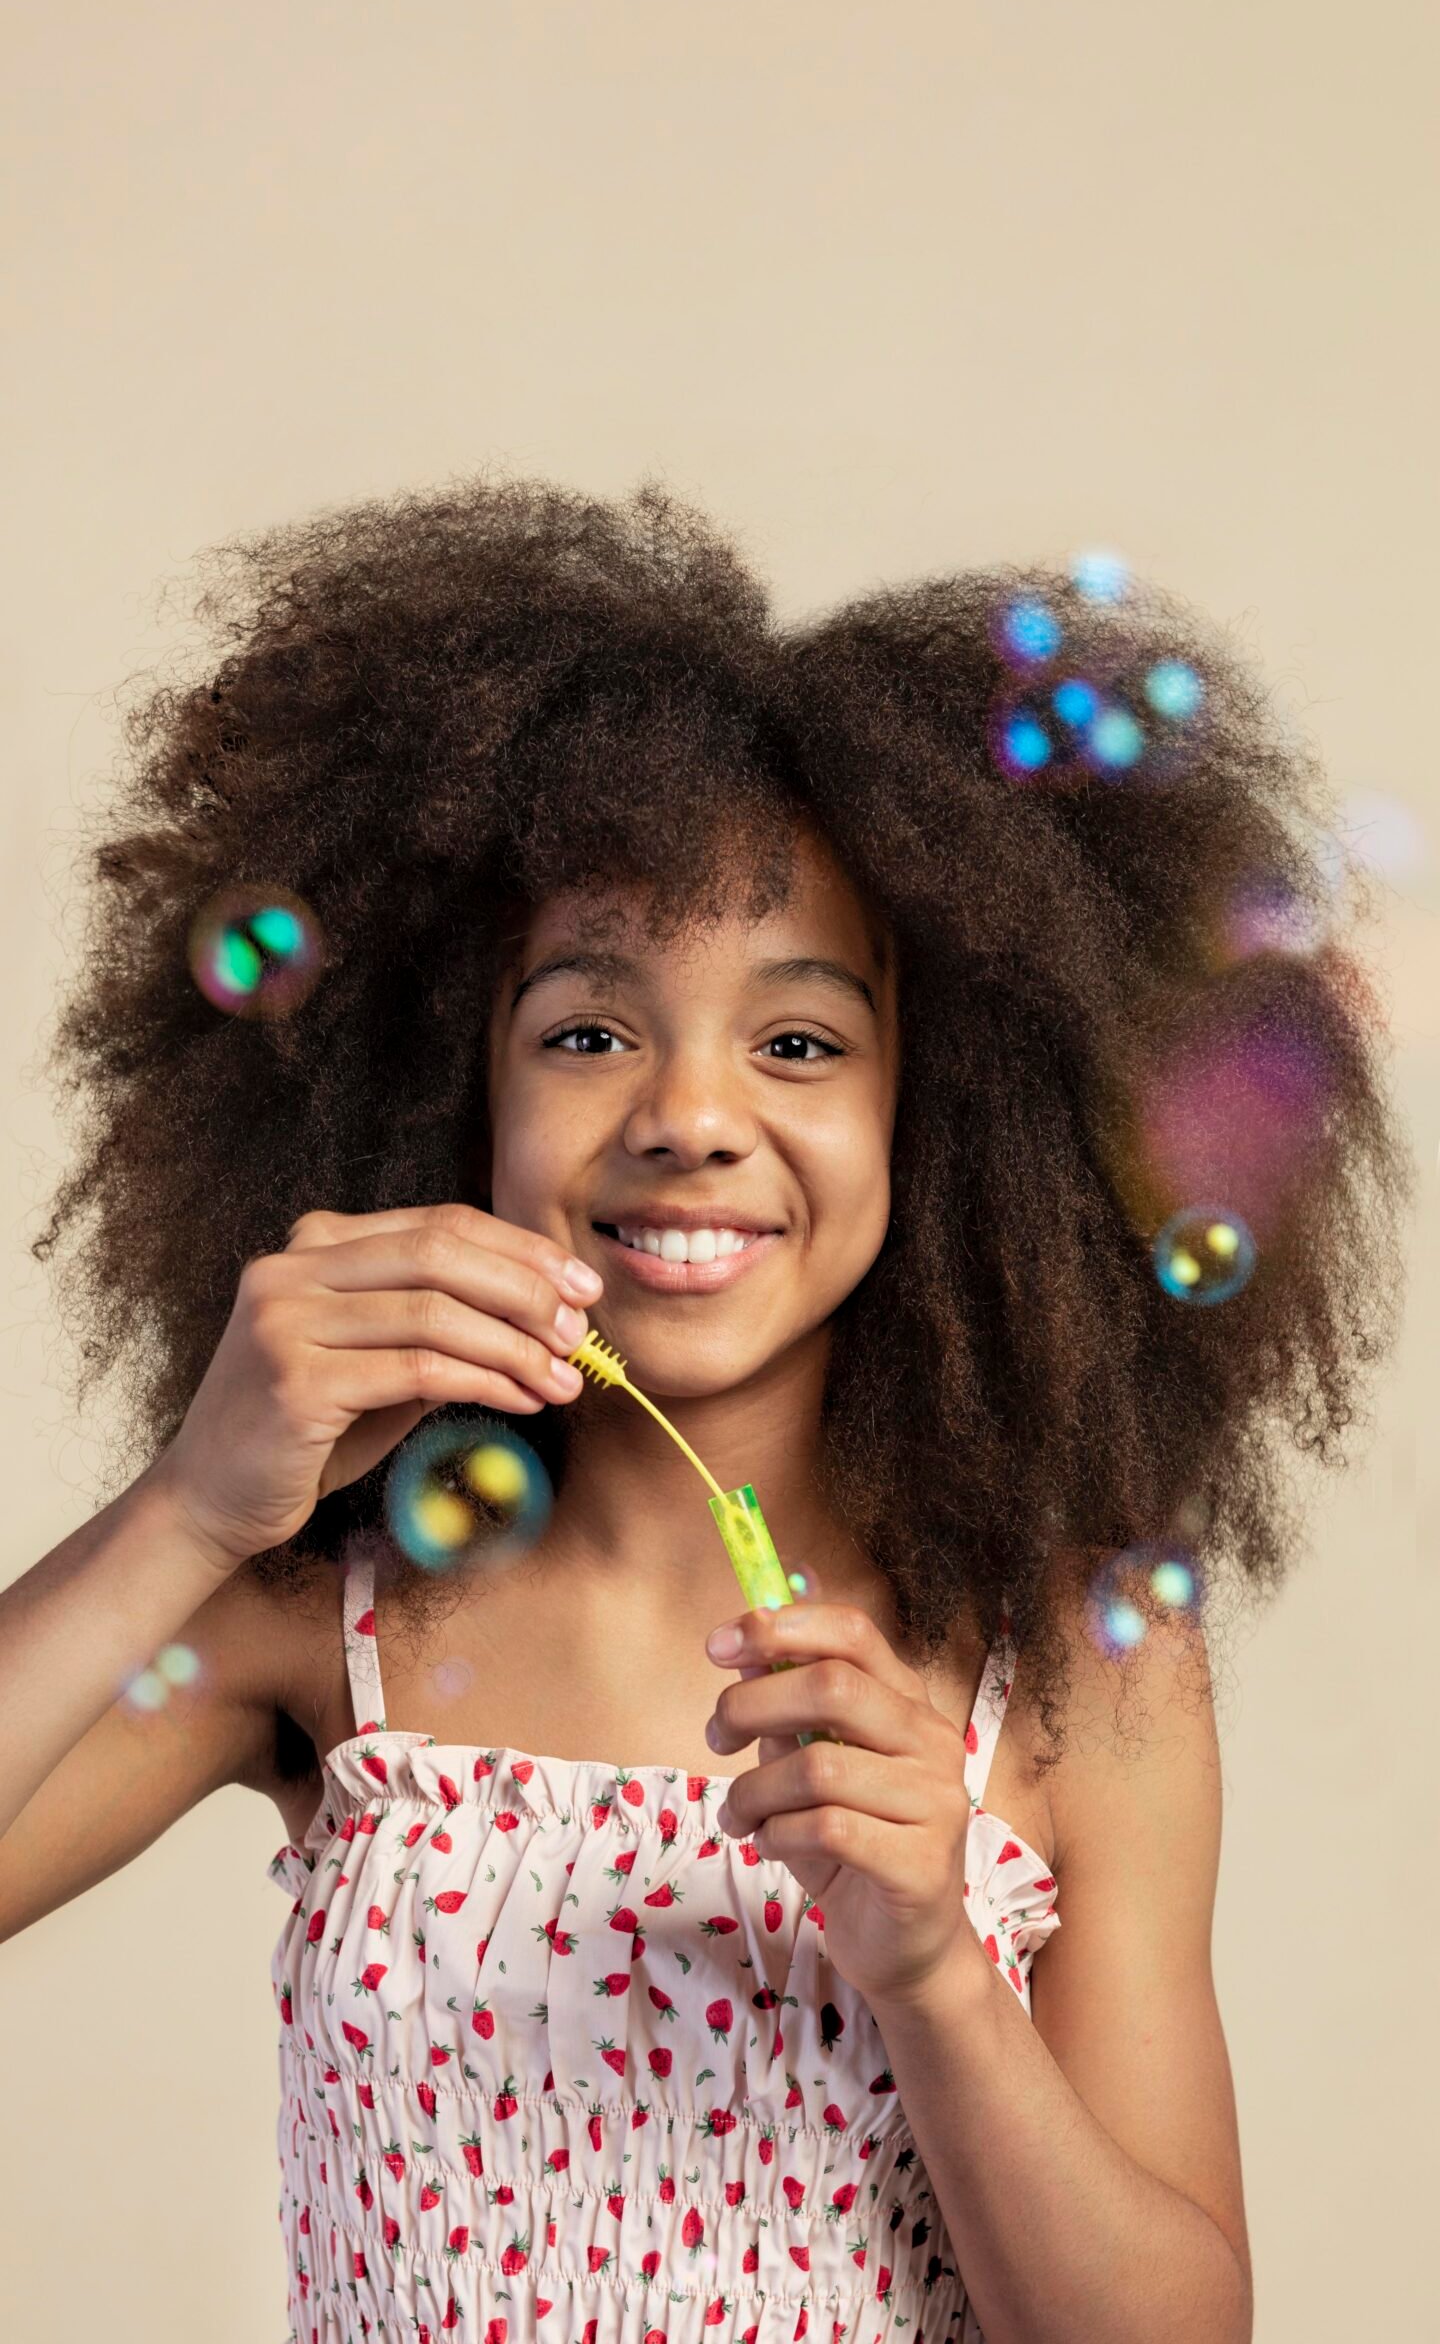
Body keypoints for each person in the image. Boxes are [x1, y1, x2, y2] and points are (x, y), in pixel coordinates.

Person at [0, 474, 1403, 2342]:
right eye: (588, 1030)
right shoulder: (315, 1619)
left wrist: (934, 1973)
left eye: (801, 1041)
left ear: (950, 1118)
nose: (688, 1114)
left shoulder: (1077, 1672)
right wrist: (188, 1505)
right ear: (447, 1091)